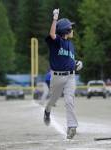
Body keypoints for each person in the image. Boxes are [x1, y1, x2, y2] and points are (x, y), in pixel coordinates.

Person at [44, 8, 83, 139]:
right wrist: (55, 19)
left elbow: (69, 60)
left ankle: (72, 127)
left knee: (69, 101)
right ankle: (47, 111)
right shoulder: (56, 42)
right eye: (70, 28)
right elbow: (52, 34)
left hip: (70, 77)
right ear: (65, 30)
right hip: (57, 77)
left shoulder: (70, 44)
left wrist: (77, 63)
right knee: (53, 100)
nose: (72, 30)